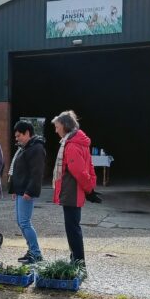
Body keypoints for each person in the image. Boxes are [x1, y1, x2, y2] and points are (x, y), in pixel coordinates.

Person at [52, 110, 100, 268]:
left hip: (72, 191)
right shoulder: (79, 142)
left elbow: (79, 171)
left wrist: (89, 190)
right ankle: (76, 259)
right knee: (73, 227)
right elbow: (89, 166)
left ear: (65, 126)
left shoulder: (71, 145)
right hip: (74, 191)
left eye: (57, 127)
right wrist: (90, 188)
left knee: (72, 228)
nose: (56, 130)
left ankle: (78, 263)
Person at [8, 120, 46, 264]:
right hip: (20, 190)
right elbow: (18, 170)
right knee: (21, 222)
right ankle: (31, 251)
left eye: (19, 136)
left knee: (24, 222)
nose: (16, 139)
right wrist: (15, 189)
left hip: (26, 192)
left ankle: (36, 253)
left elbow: (36, 173)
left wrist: (29, 191)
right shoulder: (25, 147)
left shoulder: (36, 148)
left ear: (28, 133)